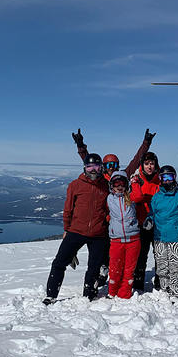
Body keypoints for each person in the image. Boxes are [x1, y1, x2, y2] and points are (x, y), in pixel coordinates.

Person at [70, 128, 156, 287]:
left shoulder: (122, 176)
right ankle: (101, 276)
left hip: (122, 223)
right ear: (103, 165)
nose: (111, 167)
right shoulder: (100, 178)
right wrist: (81, 146)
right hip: (105, 223)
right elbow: (87, 160)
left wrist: (146, 143)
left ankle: (125, 279)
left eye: (114, 164)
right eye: (108, 164)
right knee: (103, 254)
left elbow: (136, 160)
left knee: (124, 254)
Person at [43, 153, 110, 305]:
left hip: (98, 233)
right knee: (59, 262)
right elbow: (68, 209)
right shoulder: (75, 185)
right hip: (76, 231)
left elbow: (108, 210)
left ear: (101, 168)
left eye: (97, 166)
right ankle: (51, 295)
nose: (93, 170)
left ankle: (89, 294)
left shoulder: (106, 186)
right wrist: (66, 228)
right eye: (90, 166)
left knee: (94, 266)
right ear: (85, 168)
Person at [142, 165, 178, 297]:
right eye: (164, 177)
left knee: (174, 266)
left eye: (170, 177)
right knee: (161, 266)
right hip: (159, 237)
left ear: (174, 178)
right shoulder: (156, 197)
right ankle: (165, 289)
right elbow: (152, 213)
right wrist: (149, 220)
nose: (167, 180)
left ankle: (176, 290)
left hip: (175, 237)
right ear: (160, 179)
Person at [106, 171, 141, 299]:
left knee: (129, 269)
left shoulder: (131, 197)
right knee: (115, 268)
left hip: (133, 239)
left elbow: (139, 196)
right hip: (116, 240)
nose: (119, 186)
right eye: (116, 183)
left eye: (122, 183)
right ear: (111, 185)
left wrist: (135, 182)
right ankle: (112, 292)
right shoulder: (109, 198)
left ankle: (124, 293)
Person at [128, 151, 160, 293]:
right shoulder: (136, 180)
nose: (149, 167)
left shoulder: (160, 181)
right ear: (142, 165)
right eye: (146, 164)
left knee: (158, 254)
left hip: (158, 224)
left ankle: (160, 280)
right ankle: (138, 281)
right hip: (141, 223)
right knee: (141, 254)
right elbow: (135, 199)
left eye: (152, 164)